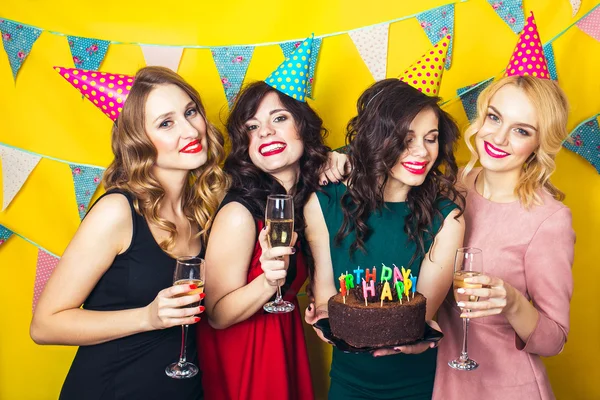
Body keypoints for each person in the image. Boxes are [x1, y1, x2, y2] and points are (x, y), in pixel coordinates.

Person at [30, 66, 228, 400]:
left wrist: (327, 161)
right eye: (166, 123)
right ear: (139, 141)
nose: (190, 129)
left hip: (182, 389)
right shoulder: (118, 212)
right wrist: (147, 317)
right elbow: (45, 326)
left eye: (190, 112)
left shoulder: (202, 208)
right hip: (113, 388)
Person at [433, 13, 576, 400]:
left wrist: (512, 301)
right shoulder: (452, 185)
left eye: (521, 130)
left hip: (506, 388)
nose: (498, 136)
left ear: (538, 144)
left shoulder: (549, 220)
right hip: (437, 381)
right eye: (495, 117)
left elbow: (554, 340)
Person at [304, 63, 466, 398]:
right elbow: (324, 293)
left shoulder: (447, 218)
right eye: (407, 140)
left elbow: (420, 314)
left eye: (431, 138)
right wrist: (323, 315)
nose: (422, 152)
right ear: (380, 139)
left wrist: (417, 338)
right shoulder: (324, 203)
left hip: (416, 385)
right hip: (347, 383)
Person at [198, 37, 328, 400]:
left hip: (281, 342)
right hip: (244, 358)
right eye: (253, 127)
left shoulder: (302, 201)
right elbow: (217, 315)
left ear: (303, 126)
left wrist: (339, 157)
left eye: (279, 118)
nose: (266, 131)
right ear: (246, 143)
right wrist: (267, 282)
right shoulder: (240, 214)